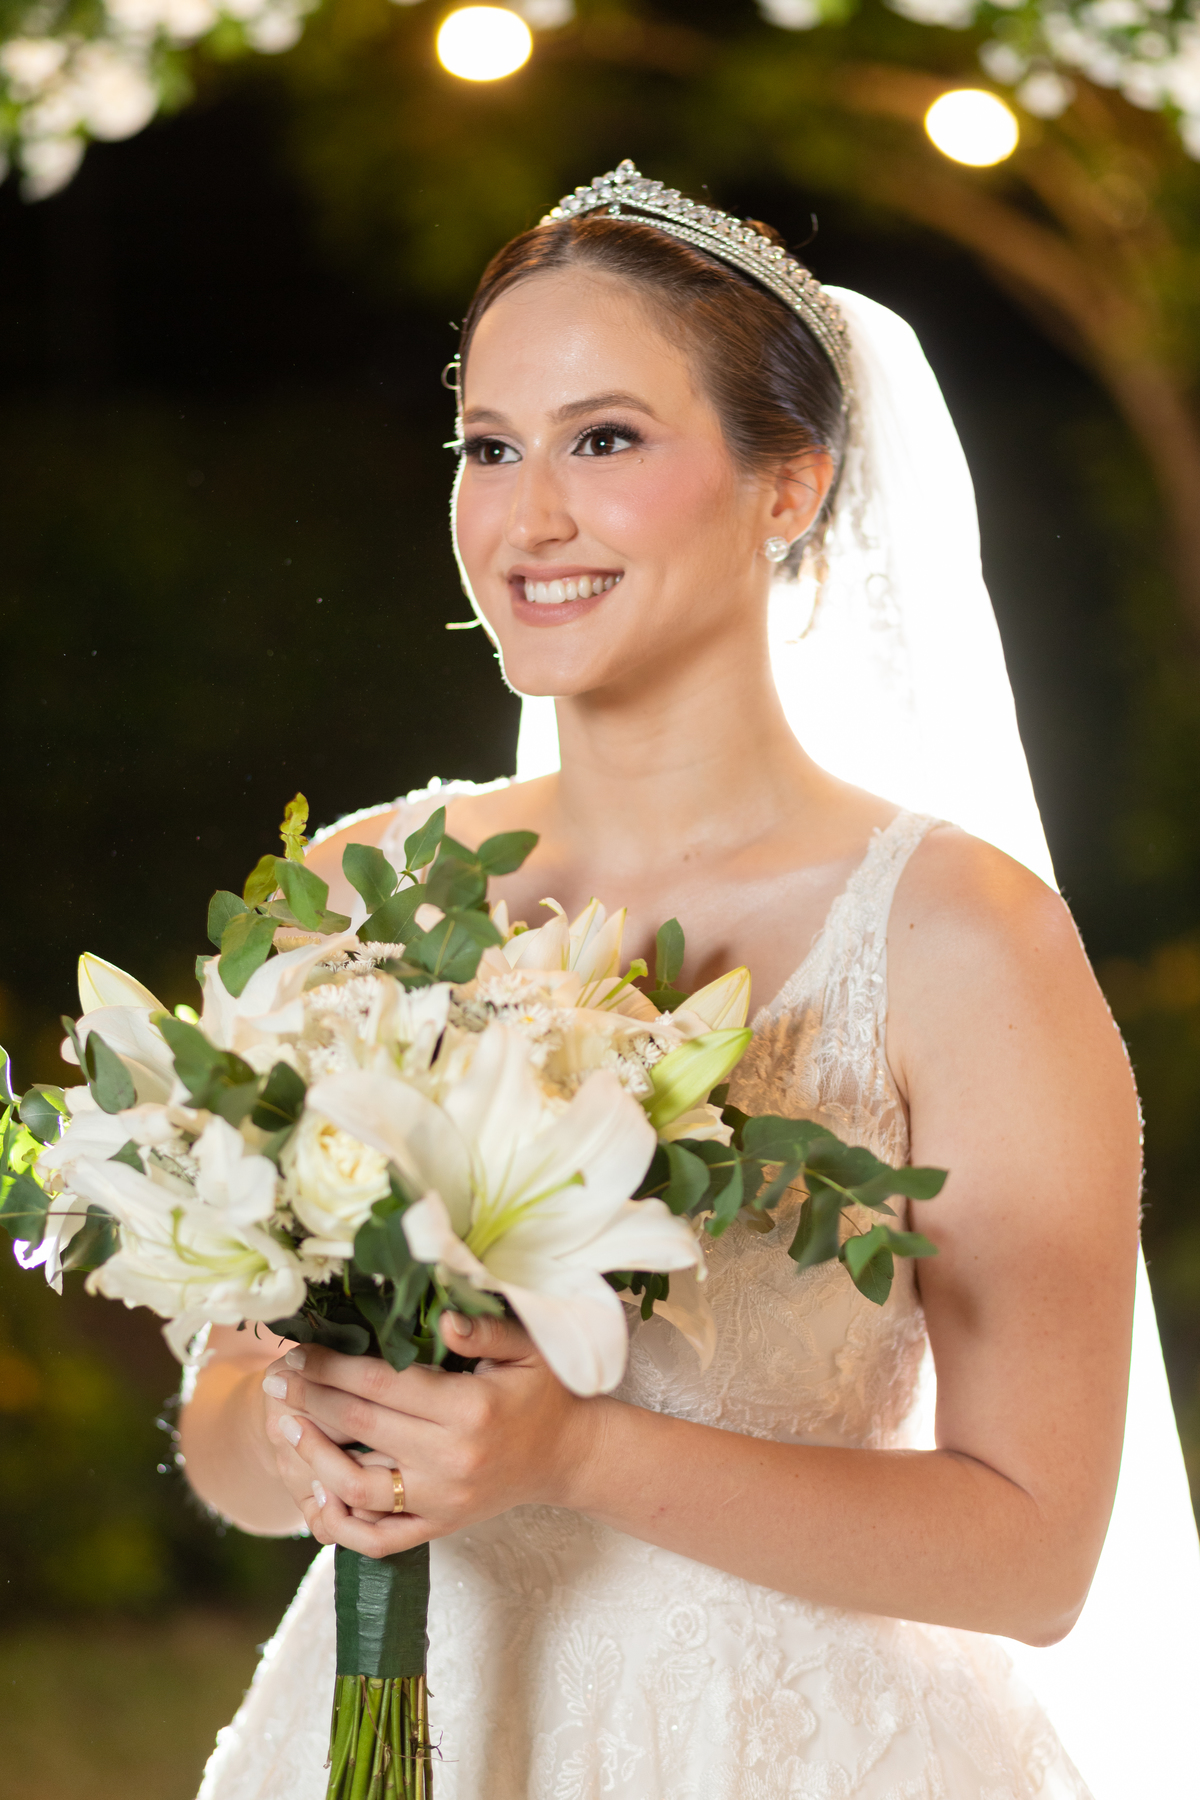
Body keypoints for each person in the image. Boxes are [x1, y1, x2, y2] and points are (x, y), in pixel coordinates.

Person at [183, 163, 1159, 1800]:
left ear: (791, 488)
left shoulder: (958, 940)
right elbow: (225, 1425)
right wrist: (301, 1436)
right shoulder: (348, 898)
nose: (526, 518)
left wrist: (574, 1452)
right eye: (490, 446)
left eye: (608, 440)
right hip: (411, 1738)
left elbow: (1036, 1552)